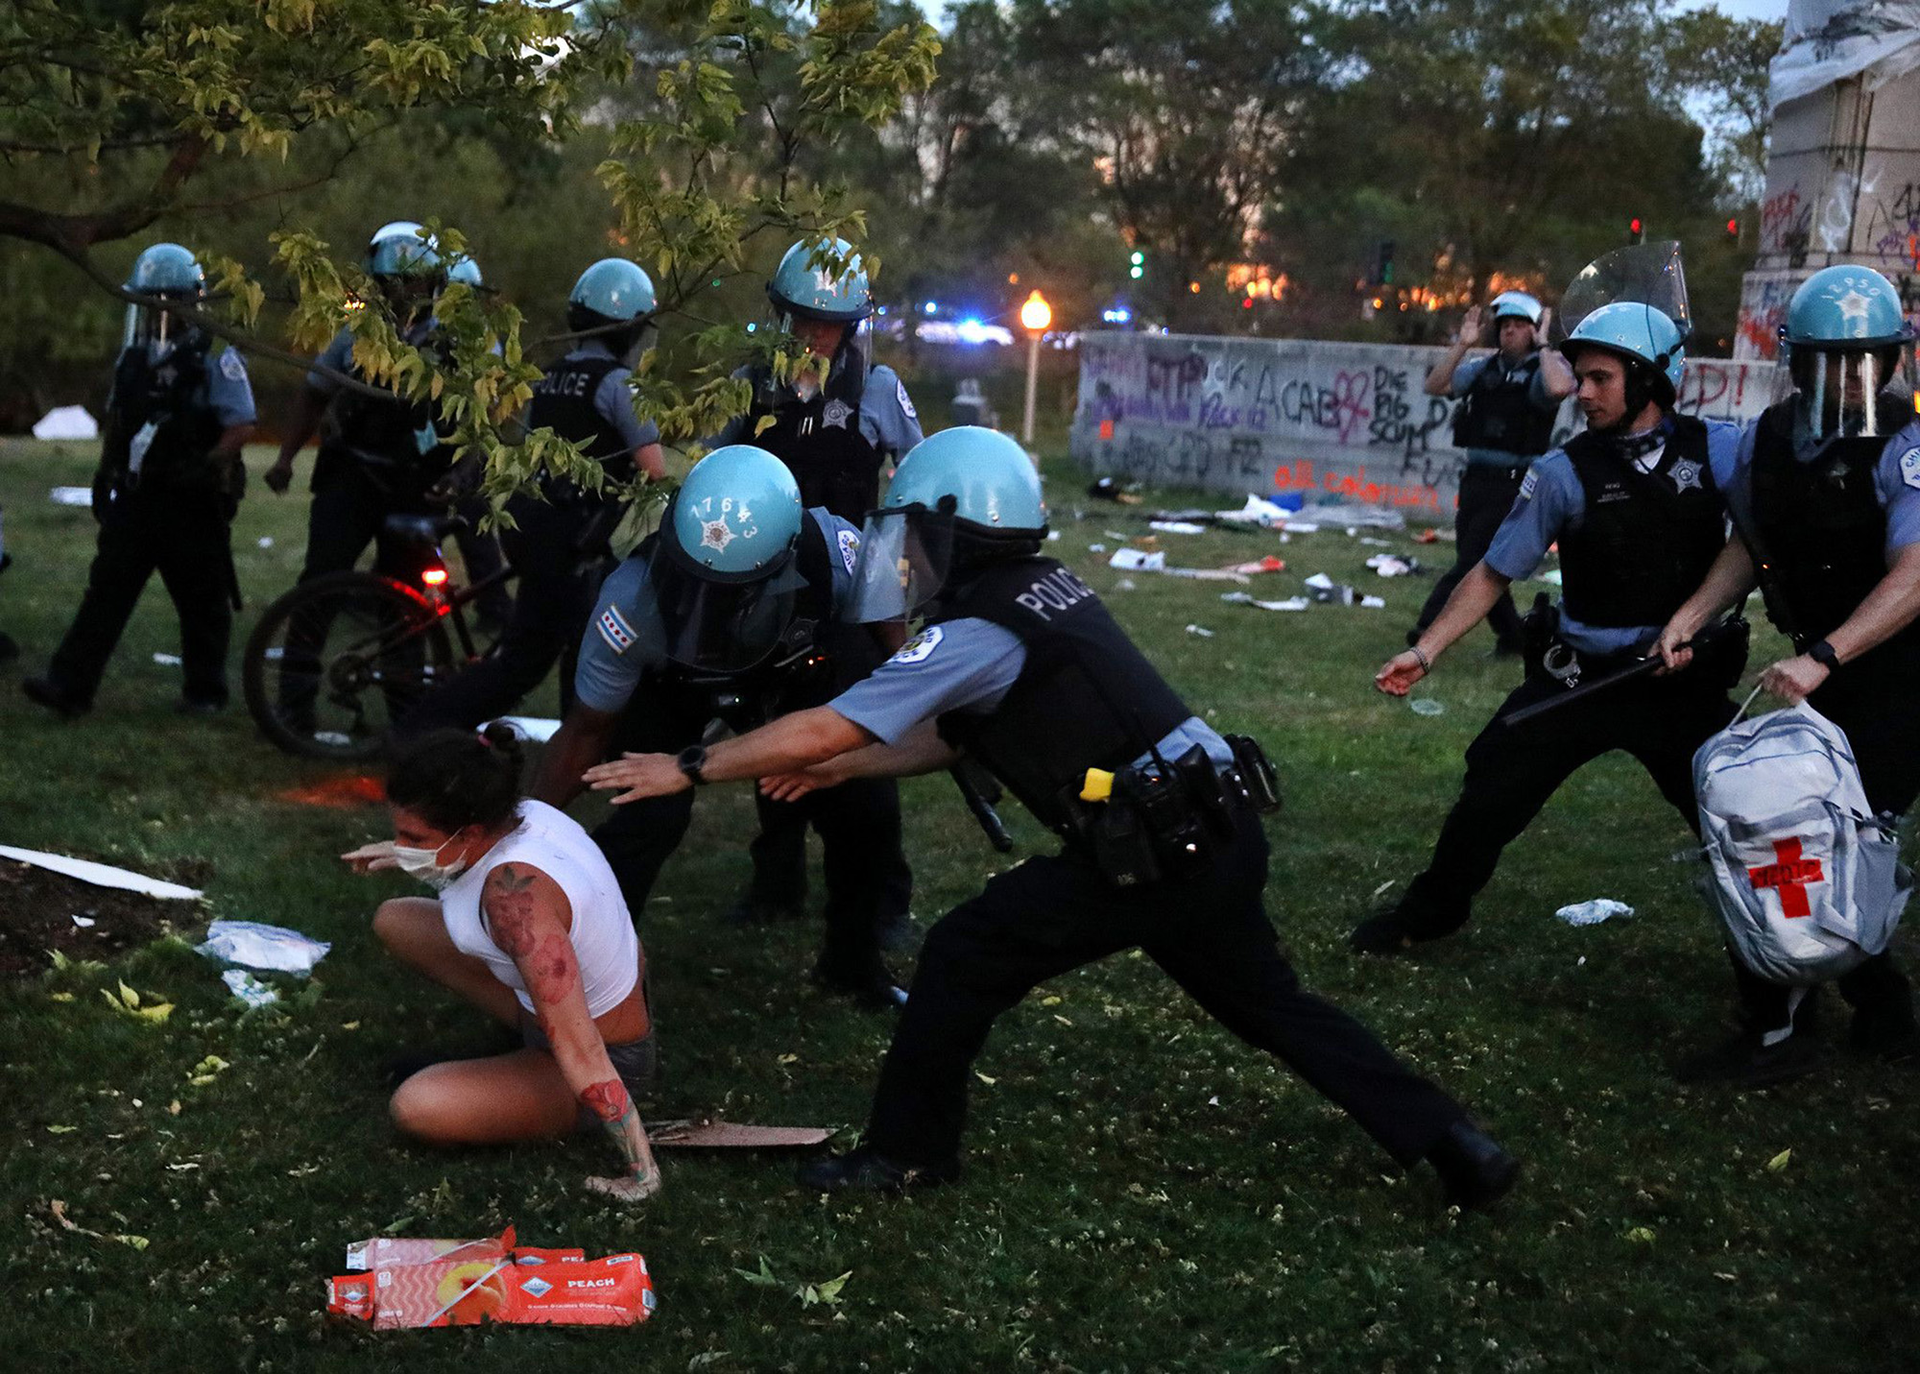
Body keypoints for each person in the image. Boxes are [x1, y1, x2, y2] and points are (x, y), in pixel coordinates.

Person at [577, 426, 1519, 1208]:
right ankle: (1456, 1143)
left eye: (920, 536)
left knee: (962, 953)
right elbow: (951, 738)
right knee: (1274, 1005)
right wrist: (841, 769)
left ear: (959, 534)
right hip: (1219, 825)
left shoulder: (976, 628)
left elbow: (830, 720)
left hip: (1153, 849)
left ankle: (905, 1154)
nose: (908, 557)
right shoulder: (1042, 590)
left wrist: (690, 765)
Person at [1358, 304, 1747, 977]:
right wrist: (1427, 649)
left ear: (1649, 380)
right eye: (1580, 377)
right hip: (1581, 678)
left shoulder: (1720, 449)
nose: (1582, 393)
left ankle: (1804, 966)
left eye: (1600, 379)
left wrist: (1696, 621)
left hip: (1678, 683)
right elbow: (1493, 571)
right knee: (1491, 786)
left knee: (1744, 817)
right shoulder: (1562, 471)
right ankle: (1432, 912)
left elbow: (1758, 540)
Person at [1654, 263, 1920, 1083]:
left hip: (1896, 674)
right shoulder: (1769, 438)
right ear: (1800, 362)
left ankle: (1781, 1026)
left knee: (1824, 838)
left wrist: (1824, 657)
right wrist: (1693, 615)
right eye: (1837, 362)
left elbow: (1915, 576)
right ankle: (1874, 1008)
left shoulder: (1907, 444)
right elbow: (1752, 543)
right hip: (1819, 666)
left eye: (1870, 360)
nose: (1855, 379)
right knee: (1811, 838)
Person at [529, 444, 907, 1006]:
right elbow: (588, 730)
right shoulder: (629, 603)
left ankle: (852, 964)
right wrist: (523, 830)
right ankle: (585, 975)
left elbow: (892, 648)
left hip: (800, 663)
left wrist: (895, 706)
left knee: (863, 800)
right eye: (695, 580)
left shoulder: (838, 554)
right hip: (675, 683)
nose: (711, 602)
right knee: (645, 812)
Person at [346, 723, 661, 1201]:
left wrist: (642, 1173)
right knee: (397, 919)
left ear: (471, 831)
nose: (404, 845)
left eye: (414, 837)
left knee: (418, 1106)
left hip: (603, 1052)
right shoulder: (525, 814)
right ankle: (512, 1064)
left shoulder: (515, 901)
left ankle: (545, 1085)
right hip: (580, 1004)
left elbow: (582, 1049)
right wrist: (403, 852)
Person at [708, 237, 921, 933]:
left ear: (852, 326)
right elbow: (715, 472)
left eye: (829, 323)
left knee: (858, 742)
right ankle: (776, 884)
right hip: (769, 589)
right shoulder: (749, 384)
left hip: (853, 590)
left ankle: (882, 897)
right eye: (802, 318)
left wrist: (896, 592)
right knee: (772, 729)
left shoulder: (878, 389)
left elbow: (916, 478)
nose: (814, 335)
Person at [395, 258, 668, 736]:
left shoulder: (551, 375)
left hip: (536, 526)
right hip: (574, 540)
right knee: (538, 660)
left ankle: (433, 727)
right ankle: (424, 729)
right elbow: (656, 472)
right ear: (627, 328)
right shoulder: (617, 385)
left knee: (549, 650)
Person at [23, 244, 256, 717]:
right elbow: (119, 419)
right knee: (106, 591)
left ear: (190, 303)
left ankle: (205, 693)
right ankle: (69, 687)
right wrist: (105, 471)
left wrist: (208, 464)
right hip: (140, 494)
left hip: (192, 501)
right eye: (149, 302)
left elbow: (241, 424)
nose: (157, 312)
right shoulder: (134, 357)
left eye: (165, 302)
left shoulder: (216, 358)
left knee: (202, 600)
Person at [1411, 292, 1574, 655]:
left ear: (1533, 330)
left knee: (1472, 561)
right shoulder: (1485, 369)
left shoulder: (1540, 372)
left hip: (1514, 483)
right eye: (1504, 326)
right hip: (1476, 480)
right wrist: (1463, 345)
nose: (1509, 332)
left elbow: (1560, 388)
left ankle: (1426, 630)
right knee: (1482, 561)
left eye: (1518, 326)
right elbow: (1435, 386)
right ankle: (1514, 638)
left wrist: (1544, 344)